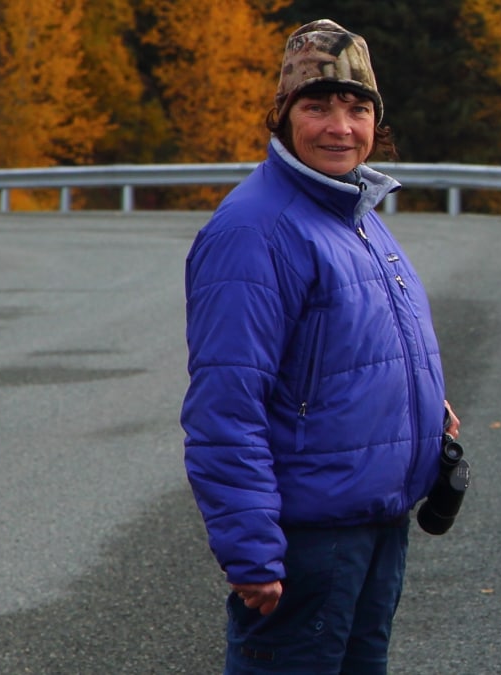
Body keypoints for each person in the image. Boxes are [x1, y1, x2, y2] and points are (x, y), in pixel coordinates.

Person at [180, 19, 459, 674]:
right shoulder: (257, 230)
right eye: (318, 106)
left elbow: (345, 357)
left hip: (372, 530)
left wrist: (424, 409)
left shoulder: (350, 214)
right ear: (283, 117)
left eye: (357, 107)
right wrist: (252, 550)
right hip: (307, 541)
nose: (341, 126)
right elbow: (226, 402)